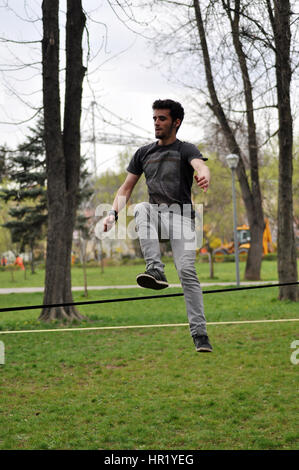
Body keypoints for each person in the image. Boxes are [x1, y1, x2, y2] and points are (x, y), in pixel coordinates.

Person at [102, 99, 212, 353]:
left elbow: (199, 163)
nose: (157, 123)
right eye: (154, 118)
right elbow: (126, 188)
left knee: (186, 271)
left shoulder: (185, 149)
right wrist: (112, 215)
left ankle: (200, 333)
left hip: (182, 219)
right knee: (141, 208)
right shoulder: (144, 153)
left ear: (176, 122)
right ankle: (155, 269)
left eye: (162, 119)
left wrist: (205, 173)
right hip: (157, 218)